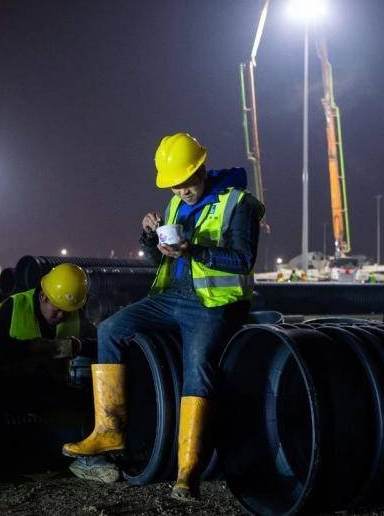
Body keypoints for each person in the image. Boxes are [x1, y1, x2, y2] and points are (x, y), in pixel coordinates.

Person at [63, 132, 264, 501]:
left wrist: (193, 249)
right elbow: (161, 260)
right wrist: (148, 238)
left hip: (213, 303)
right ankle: (109, 430)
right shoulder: (173, 207)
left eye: (186, 183)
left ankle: (188, 471)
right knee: (111, 329)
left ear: (201, 169)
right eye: (174, 186)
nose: (182, 192)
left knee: (197, 368)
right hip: (170, 297)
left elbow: (243, 260)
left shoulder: (240, 204)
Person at [0, 264, 104, 474]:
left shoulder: (75, 313)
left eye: (66, 312)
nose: (61, 315)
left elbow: (101, 344)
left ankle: (83, 452)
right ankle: (1, 446)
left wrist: (79, 346)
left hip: (49, 387)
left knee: (91, 399)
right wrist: (29, 348)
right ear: (43, 297)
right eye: (57, 309)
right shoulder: (15, 306)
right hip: (11, 387)